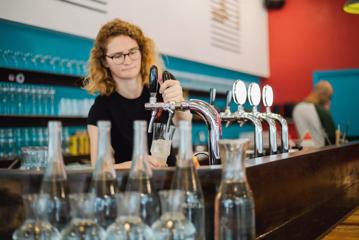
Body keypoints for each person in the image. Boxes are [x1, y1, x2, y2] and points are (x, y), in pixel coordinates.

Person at [84, 18, 192, 169]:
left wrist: (180, 102)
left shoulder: (159, 92)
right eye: (117, 55)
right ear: (105, 61)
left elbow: (185, 122)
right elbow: (99, 166)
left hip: (168, 181)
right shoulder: (101, 109)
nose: (127, 60)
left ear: (142, 52)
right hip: (129, 188)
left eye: (132, 52)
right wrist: (136, 164)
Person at [292, 80, 336, 147]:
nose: (330, 100)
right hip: (320, 150)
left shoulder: (297, 108)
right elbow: (333, 135)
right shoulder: (321, 111)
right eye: (330, 97)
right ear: (325, 96)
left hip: (304, 150)